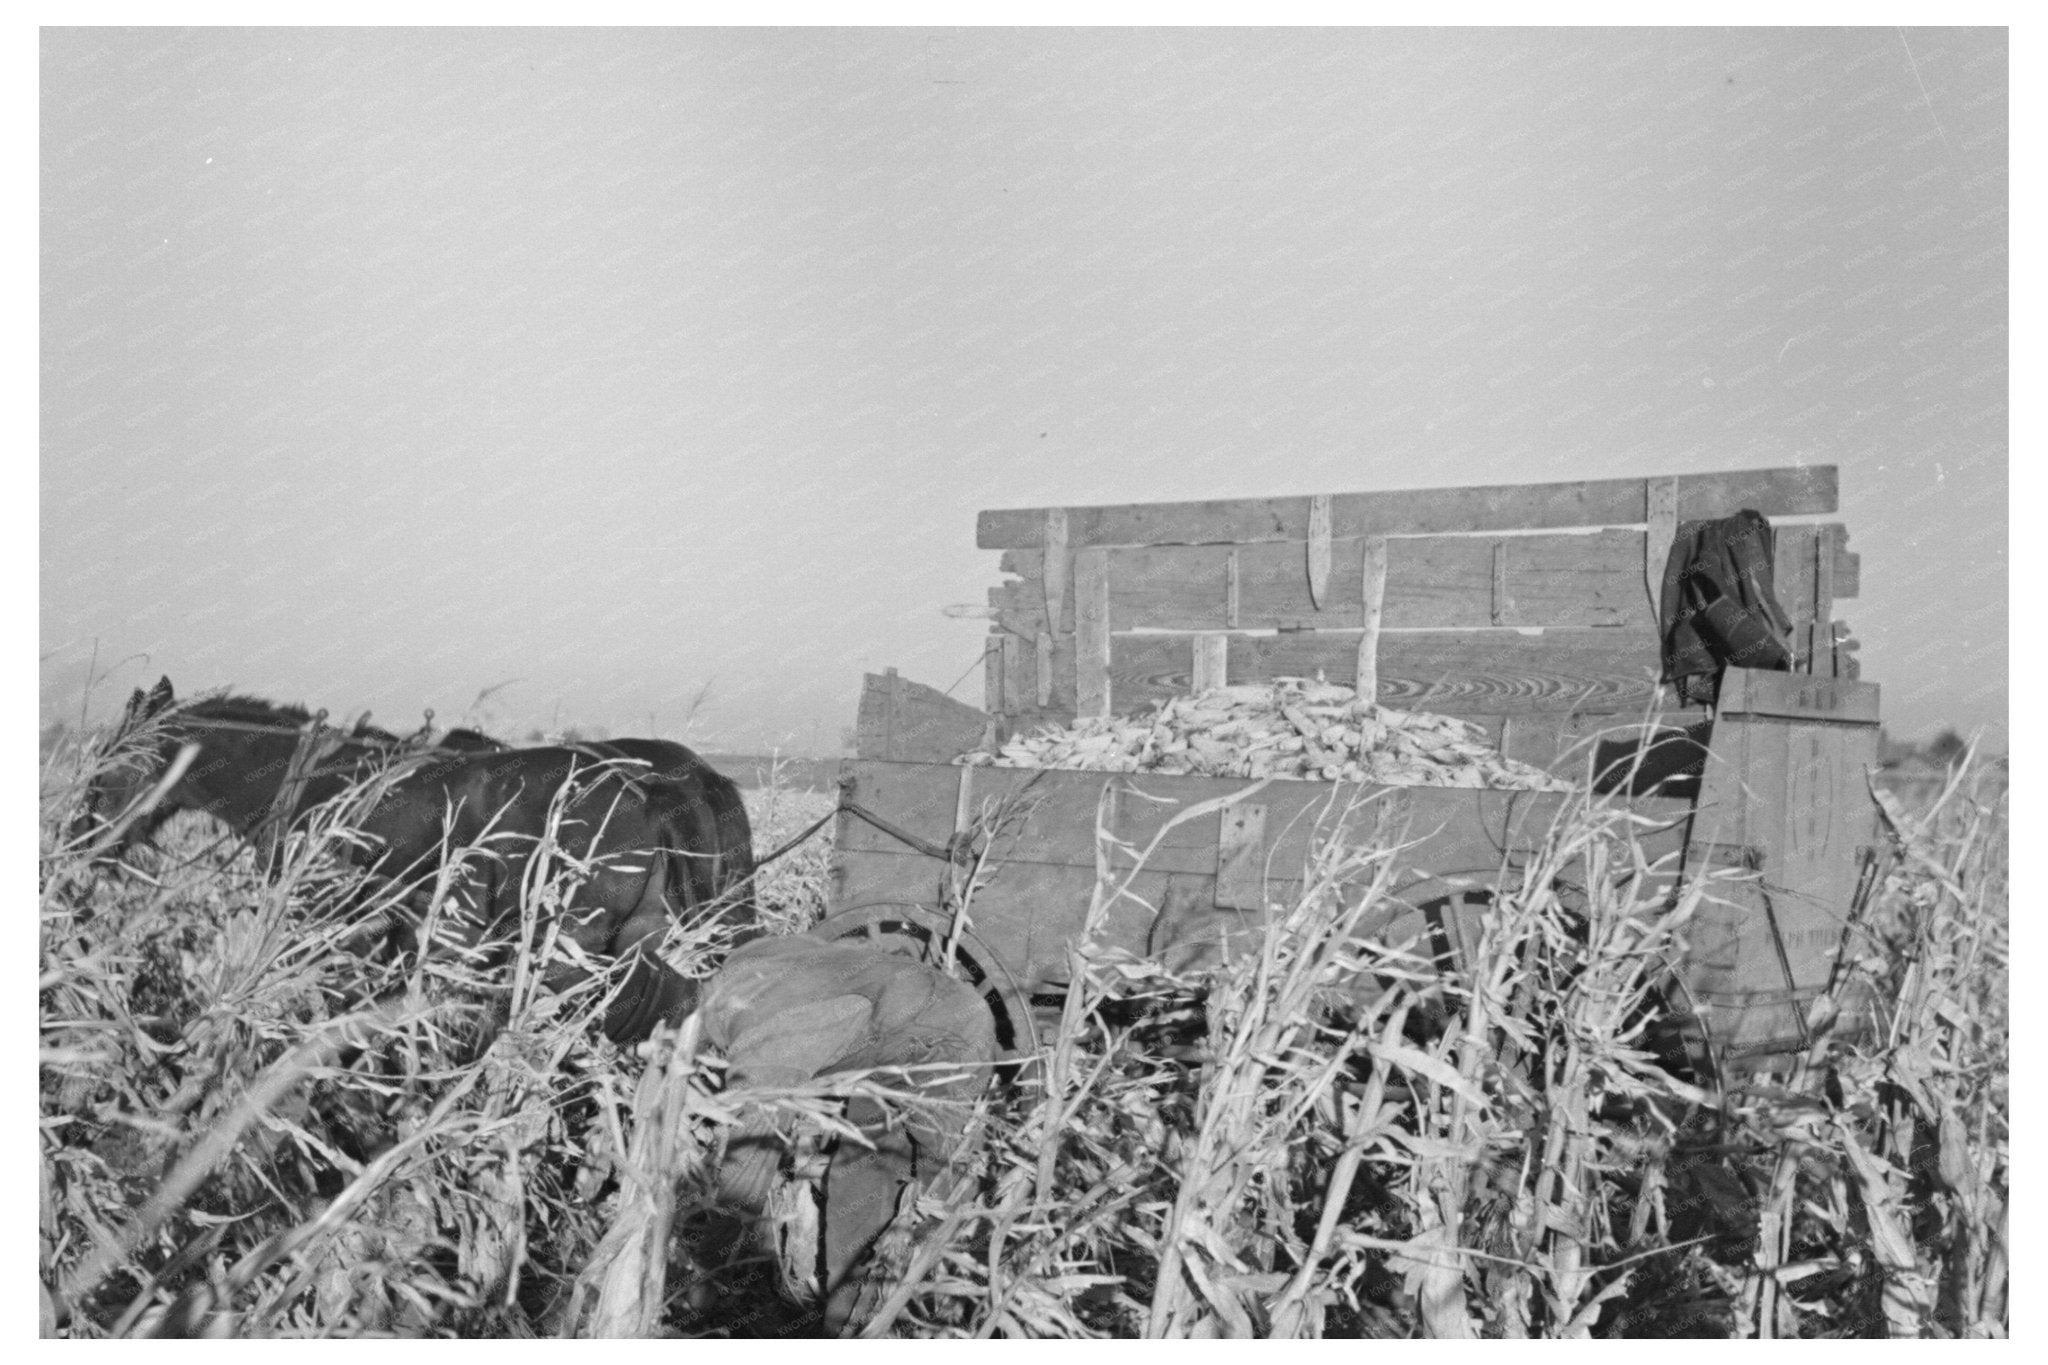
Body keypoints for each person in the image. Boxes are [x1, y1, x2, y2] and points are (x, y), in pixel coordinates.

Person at [691, 934, 998, 1336]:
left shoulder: (763, 1042)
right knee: (855, 1187)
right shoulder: (742, 962)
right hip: (896, 1036)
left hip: (947, 1044)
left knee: (927, 1193)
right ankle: (847, 1322)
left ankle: (917, 1318)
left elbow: (748, 1165)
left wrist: (706, 1267)